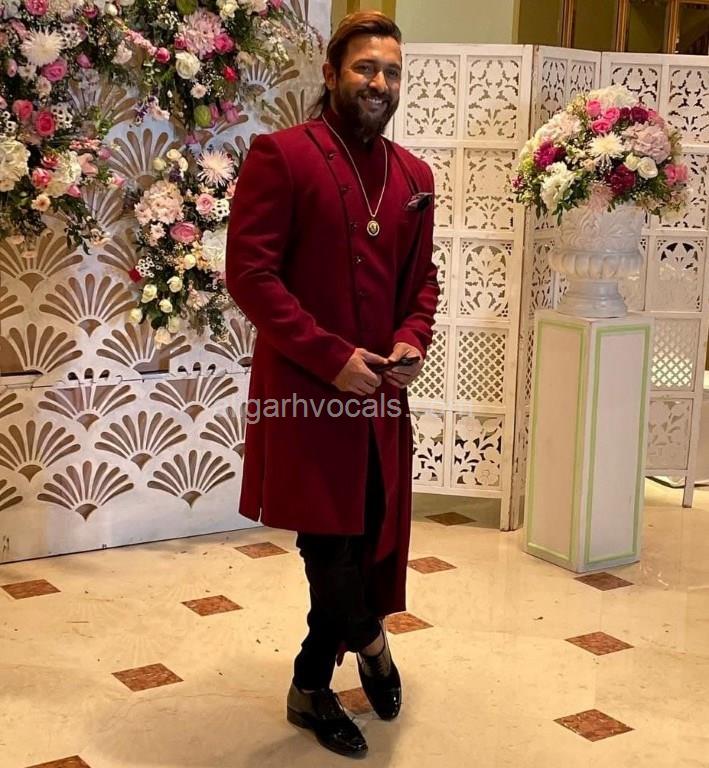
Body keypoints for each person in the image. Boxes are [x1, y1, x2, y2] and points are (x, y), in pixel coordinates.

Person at [225, 10, 438, 759]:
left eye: (391, 71)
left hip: (379, 397)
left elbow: (422, 282)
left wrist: (412, 338)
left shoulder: (414, 176)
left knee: (367, 538)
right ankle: (371, 645)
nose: (380, 82)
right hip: (307, 393)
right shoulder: (281, 156)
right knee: (329, 548)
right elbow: (250, 275)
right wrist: (330, 357)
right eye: (365, 68)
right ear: (331, 73)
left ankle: (309, 686)